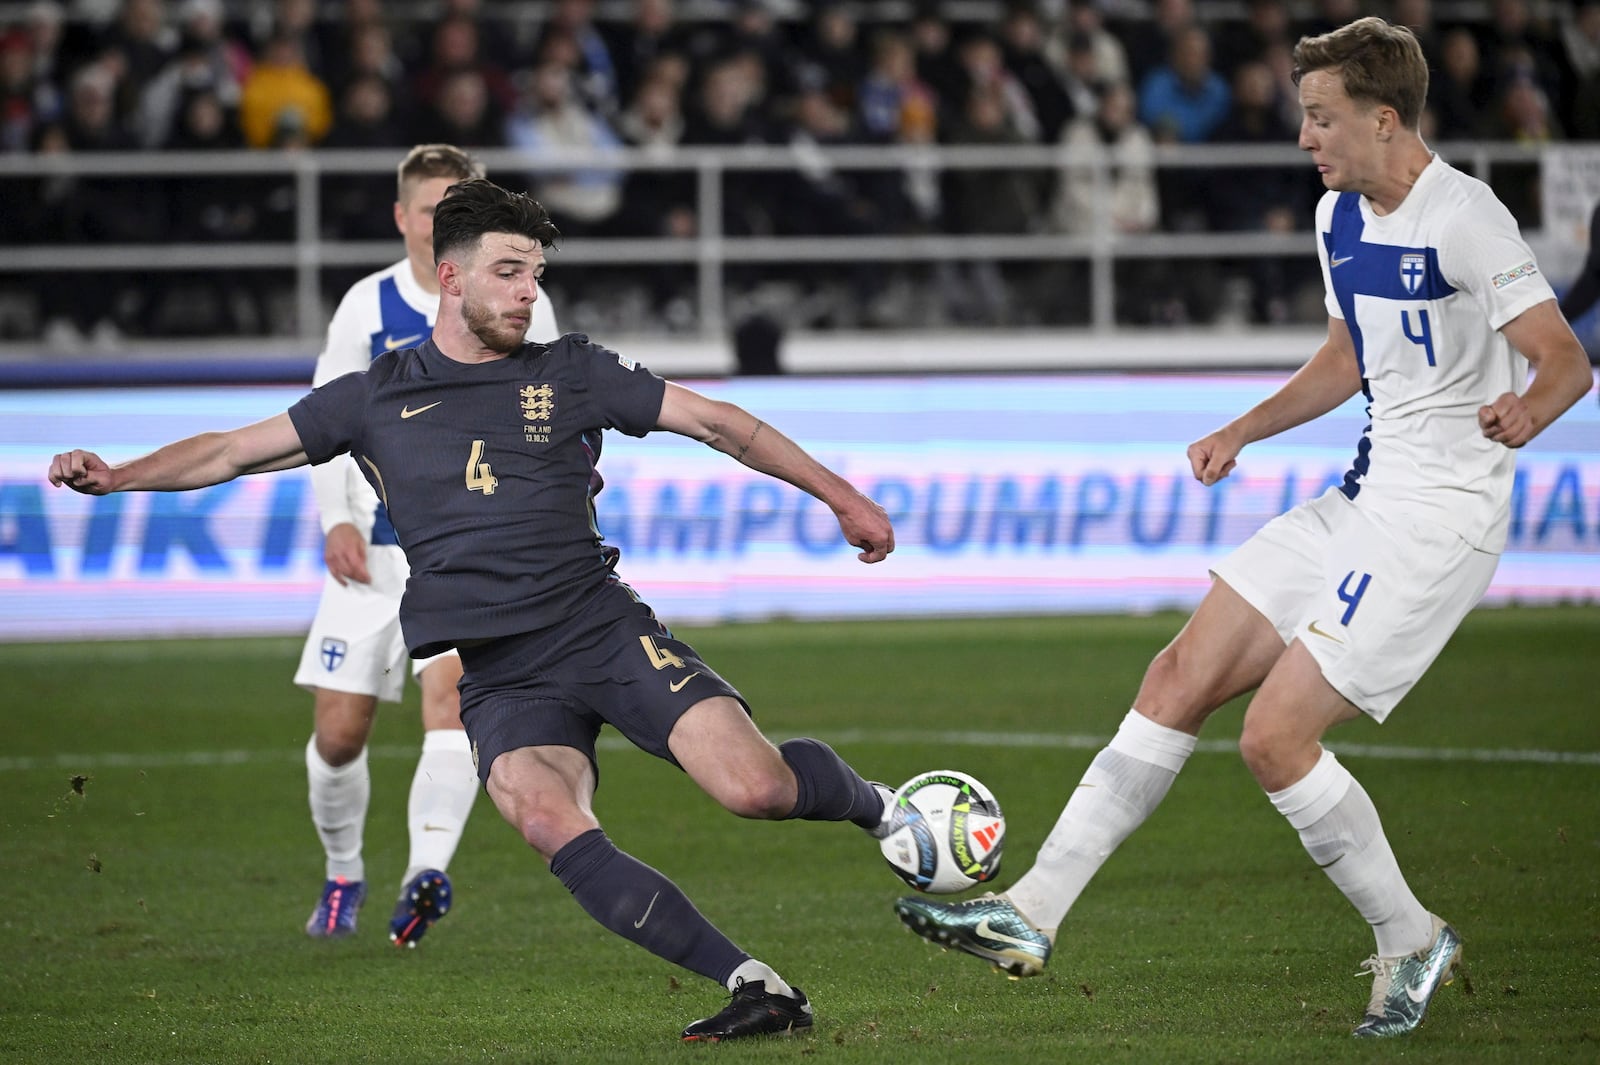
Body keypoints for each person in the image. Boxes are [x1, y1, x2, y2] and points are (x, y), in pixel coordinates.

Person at [48, 177, 899, 1043]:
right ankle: (755, 984)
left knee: (755, 789)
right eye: (508, 272)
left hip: (600, 629)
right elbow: (231, 450)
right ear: (450, 278)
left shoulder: (573, 370)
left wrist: (842, 498)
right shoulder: (374, 394)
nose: (529, 291)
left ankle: (883, 808)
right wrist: (119, 475)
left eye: (534, 273)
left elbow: (723, 425)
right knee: (542, 814)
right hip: (499, 671)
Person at [894, 16, 1593, 1040]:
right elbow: (1347, 358)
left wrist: (1526, 411)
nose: (1305, 139)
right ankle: (1028, 912)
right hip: (1359, 498)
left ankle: (1409, 938)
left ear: (1384, 118)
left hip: (1438, 520)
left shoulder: (1466, 220)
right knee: (1176, 676)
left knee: (1273, 738)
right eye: (1302, 117)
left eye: (1321, 118)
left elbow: (1563, 358)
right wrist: (1244, 428)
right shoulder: (1337, 218)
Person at [295, 144, 559, 949]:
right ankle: (344, 872)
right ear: (406, 219)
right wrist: (335, 518)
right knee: (340, 735)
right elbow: (321, 414)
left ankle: (424, 875)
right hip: (370, 552)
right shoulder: (365, 306)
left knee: (452, 702)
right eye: (434, 205)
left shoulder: (524, 300)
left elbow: (548, 414)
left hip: (462, 553)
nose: (447, 218)